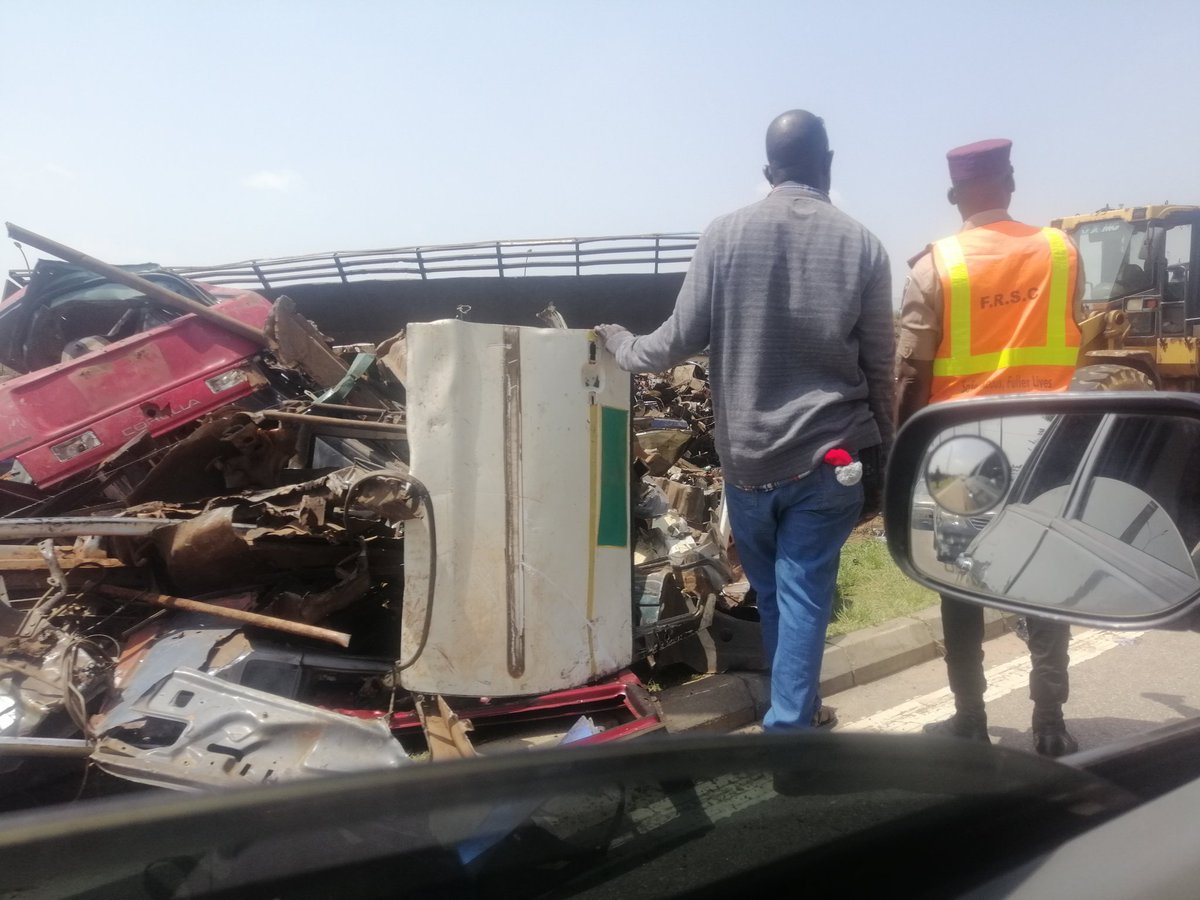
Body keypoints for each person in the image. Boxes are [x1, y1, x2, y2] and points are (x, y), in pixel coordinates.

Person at [595, 109, 894, 731]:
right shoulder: (864, 244)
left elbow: (671, 343)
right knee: (803, 592)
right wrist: (887, 452)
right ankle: (792, 727)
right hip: (830, 460)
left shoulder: (723, 236)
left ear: (767, 171)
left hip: (749, 465)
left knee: (781, 596)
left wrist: (620, 344)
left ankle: (797, 713)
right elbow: (881, 367)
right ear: (829, 165)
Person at [895, 138, 1084, 757]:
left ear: (955, 197)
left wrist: (904, 453)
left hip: (964, 451)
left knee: (961, 583)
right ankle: (1049, 721)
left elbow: (908, 376)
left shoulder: (935, 267)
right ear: (1010, 183)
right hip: (1049, 445)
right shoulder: (1062, 252)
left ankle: (971, 718)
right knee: (1045, 582)